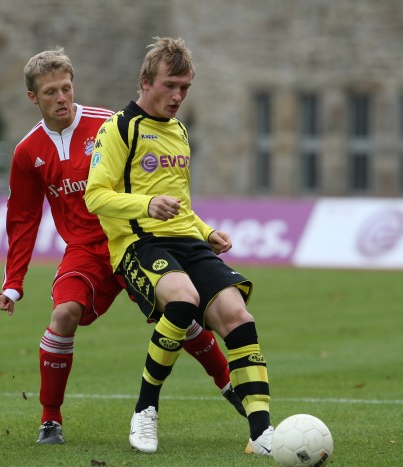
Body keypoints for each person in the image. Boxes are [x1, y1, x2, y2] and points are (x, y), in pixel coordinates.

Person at [0, 47, 246, 446]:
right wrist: (14, 281)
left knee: (181, 313)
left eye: (66, 88)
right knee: (63, 315)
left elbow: (162, 186)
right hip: (85, 251)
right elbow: (23, 218)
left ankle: (228, 384)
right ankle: (50, 419)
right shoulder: (28, 152)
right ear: (32, 97)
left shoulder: (109, 125)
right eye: (50, 92)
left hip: (134, 240)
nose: (62, 98)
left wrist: (201, 231)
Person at [84, 37, 274, 456]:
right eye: (169, 85)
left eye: (184, 88)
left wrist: (206, 232)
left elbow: (181, 205)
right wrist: (147, 204)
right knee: (183, 299)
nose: (177, 96)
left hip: (186, 241)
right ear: (145, 81)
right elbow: (95, 196)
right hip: (139, 243)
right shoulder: (118, 128)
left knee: (238, 316)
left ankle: (262, 434)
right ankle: (145, 409)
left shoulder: (180, 131)